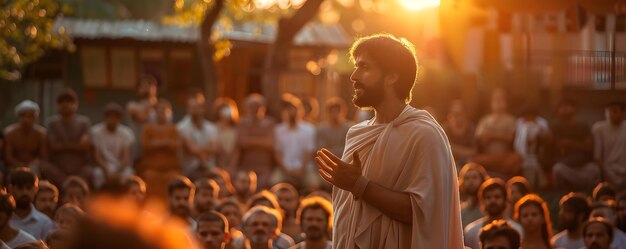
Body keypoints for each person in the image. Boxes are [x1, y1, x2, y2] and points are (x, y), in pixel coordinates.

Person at [314, 34, 463, 248]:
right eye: (356, 66)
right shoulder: (357, 133)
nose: (354, 76)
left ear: (392, 76)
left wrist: (359, 185)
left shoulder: (425, 134)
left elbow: (425, 213)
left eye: (364, 67)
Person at [44, 89, 92, 186]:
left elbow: (85, 146)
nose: (66, 105)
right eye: (62, 102)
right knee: (46, 168)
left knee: (89, 170)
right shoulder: (52, 123)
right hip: (58, 167)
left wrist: (62, 145)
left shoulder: (84, 123)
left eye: (69, 102)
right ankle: (67, 184)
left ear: (76, 104)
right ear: (58, 105)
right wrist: (76, 145)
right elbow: (53, 146)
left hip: (79, 167)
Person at [550, 98, 600, 191]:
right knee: (557, 169)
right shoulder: (555, 128)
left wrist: (570, 143)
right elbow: (558, 145)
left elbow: (588, 146)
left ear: (575, 108)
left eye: (567, 106)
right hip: (566, 167)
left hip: (583, 166)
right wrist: (579, 145)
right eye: (561, 107)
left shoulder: (583, 126)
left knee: (594, 169)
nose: (564, 109)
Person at [473, 89, 522, 179]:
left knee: (517, 159)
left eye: (501, 100)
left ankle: (497, 175)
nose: (498, 103)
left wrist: (491, 136)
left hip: (505, 157)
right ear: (491, 103)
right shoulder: (485, 120)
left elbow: (510, 138)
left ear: (506, 103)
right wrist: (501, 136)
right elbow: (481, 139)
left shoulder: (511, 120)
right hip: (488, 157)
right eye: (496, 100)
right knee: (473, 160)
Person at [139, 99, 182, 201]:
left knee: (174, 179)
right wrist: (166, 143)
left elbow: (176, 146)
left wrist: (156, 143)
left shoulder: (174, 129)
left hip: (170, 170)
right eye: (159, 111)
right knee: (149, 177)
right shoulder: (147, 128)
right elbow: (146, 146)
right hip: (152, 169)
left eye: (165, 111)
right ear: (154, 113)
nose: (162, 114)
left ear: (170, 113)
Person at [465, 178, 523, 249]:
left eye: (497, 197)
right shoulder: (471, 232)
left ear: (505, 200)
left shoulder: (517, 229)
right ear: (482, 201)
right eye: (488, 197)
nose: (493, 200)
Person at [233, 94, 276, 189]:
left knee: (263, 185)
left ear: (263, 108)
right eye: (251, 107)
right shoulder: (242, 122)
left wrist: (250, 141)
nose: (254, 110)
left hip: (264, 167)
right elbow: (242, 142)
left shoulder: (270, 123)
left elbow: (270, 143)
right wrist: (261, 141)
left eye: (257, 107)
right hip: (246, 166)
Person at [274, 94, 316, 188]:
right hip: (283, 169)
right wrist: (285, 170)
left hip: (305, 169)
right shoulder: (278, 130)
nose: (291, 112)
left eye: (294, 109)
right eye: (288, 109)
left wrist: (301, 169)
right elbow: (278, 152)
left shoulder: (309, 129)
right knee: (274, 181)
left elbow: (308, 153)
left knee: (313, 183)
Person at [91, 103, 135, 188]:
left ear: (119, 119)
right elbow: (97, 157)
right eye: (109, 116)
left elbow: (126, 159)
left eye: (115, 117)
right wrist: (107, 171)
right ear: (105, 117)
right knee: (97, 174)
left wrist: (117, 172)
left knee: (128, 174)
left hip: (120, 166)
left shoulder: (126, 133)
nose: (112, 119)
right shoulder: (96, 132)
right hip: (104, 166)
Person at [178, 96, 218, 179]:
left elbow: (214, 148)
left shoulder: (211, 127)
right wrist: (205, 152)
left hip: (209, 167)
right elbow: (192, 149)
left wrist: (200, 152)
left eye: (197, 107)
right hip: (190, 170)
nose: (195, 110)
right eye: (192, 107)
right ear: (188, 109)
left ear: (203, 108)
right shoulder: (181, 127)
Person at [3, 100, 48, 175]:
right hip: (13, 166)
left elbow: (44, 156)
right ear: (18, 116)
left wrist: (34, 163)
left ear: (35, 117)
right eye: (23, 115)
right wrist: (20, 165)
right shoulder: (9, 133)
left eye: (30, 116)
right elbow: (8, 157)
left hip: (34, 166)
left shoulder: (41, 134)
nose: (26, 119)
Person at [8, 168, 54, 240]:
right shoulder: (4, 219)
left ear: (35, 189)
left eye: (28, 188)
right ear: (11, 189)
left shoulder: (44, 223)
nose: (25, 192)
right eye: (20, 188)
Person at [514, 104, 550, 189]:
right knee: (529, 163)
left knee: (532, 163)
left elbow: (548, 138)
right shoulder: (520, 122)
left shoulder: (541, 122)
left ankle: (535, 185)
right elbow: (517, 140)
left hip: (540, 151)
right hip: (523, 153)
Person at [592, 101, 626, 187]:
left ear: (623, 113)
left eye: (614, 111)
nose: (610, 114)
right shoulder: (598, 128)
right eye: (608, 111)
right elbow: (597, 156)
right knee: (593, 170)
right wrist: (604, 173)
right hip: (606, 170)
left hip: (624, 169)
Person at [126, 75, 159, 161]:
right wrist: (151, 102)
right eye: (143, 85)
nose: (146, 87)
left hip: (154, 149)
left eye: (149, 85)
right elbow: (142, 117)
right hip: (137, 149)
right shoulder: (132, 106)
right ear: (137, 90)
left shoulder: (160, 108)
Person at [443, 99, 477, 168]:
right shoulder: (445, 128)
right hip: (450, 160)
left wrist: (454, 148)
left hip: (467, 160)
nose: (456, 117)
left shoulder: (471, 128)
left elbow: (474, 151)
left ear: (465, 114)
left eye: (459, 114)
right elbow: (444, 149)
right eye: (454, 114)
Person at [211, 97, 239, 169]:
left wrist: (232, 166)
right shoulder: (213, 128)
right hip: (217, 164)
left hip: (232, 164)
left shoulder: (236, 130)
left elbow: (237, 149)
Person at [459, 163, 490, 228]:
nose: (471, 181)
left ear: (482, 179)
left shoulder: (490, 208)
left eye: (475, 177)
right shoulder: (461, 211)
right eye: (467, 178)